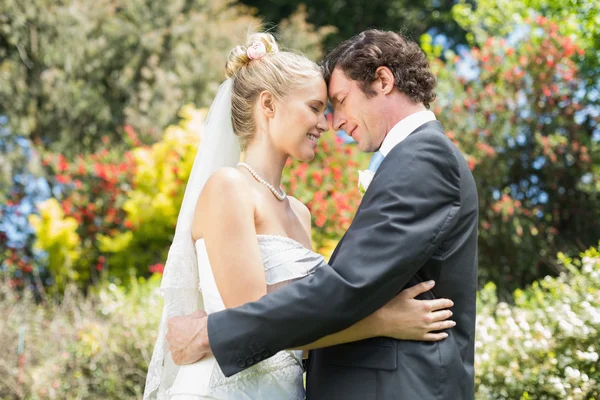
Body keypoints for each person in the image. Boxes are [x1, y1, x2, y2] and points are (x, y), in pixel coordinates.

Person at [144, 32, 456, 399]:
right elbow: (254, 322)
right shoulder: (229, 188)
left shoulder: (299, 212)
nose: (327, 124)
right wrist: (382, 321)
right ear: (268, 105)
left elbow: (301, 326)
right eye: (315, 107)